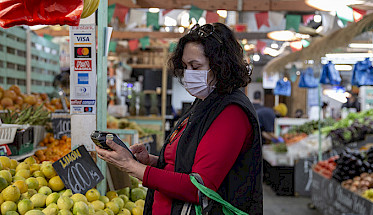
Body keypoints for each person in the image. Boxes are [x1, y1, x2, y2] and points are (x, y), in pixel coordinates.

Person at [96, 23, 263, 215]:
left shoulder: (231, 113)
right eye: (185, 66)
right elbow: (187, 164)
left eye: (196, 66)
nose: (188, 73)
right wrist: (150, 161)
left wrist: (132, 167)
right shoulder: (203, 103)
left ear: (220, 66)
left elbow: (199, 188)